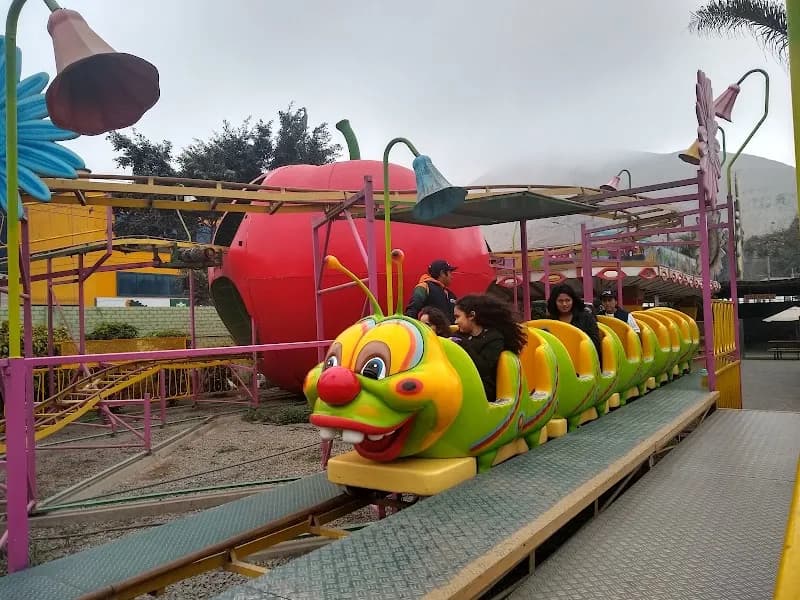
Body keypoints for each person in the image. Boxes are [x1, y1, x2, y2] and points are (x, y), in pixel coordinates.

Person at [453, 294, 527, 402]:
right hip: (460, 381)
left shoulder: (494, 338)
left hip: (484, 388)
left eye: (457, 317)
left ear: (471, 315)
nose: (455, 322)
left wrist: (463, 346)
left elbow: (484, 369)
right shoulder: (458, 335)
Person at [546, 283, 602, 359]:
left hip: (584, 358)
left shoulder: (586, 317)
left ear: (573, 300)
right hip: (559, 359)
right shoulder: (549, 321)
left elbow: (595, 343)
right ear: (554, 302)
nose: (564, 304)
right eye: (560, 301)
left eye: (567, 300)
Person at [405, 259, 458, 323]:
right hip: (429, 329)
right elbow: (412, 311)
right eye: (450, 273)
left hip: (446, 329)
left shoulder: (450, 294)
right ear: (442, 273)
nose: (452, 277)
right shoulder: (424, 287)